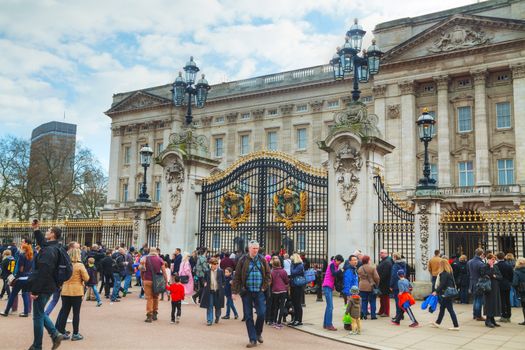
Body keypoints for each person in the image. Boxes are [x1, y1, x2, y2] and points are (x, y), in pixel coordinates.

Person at [27, 223, 64, 350]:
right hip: (49, 285)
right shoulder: (53, 246)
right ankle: (55, 334)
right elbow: (42, 242)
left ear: (53, 234)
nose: (47, 232)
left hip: (43, 287)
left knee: (37, 316)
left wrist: (35, 290)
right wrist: (36, 229)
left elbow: (44, 271)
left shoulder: (49, 250)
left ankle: (37, 346)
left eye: (48, 230)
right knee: (41, 313)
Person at [232, 240, 271, 348]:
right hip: (247, 292)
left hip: (259, 291)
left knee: (262, 313)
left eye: (257, 248)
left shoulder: (262, 259)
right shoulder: (243, 260)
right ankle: (252, 339)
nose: (255, 250)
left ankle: (258, 333)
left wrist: (264, 287)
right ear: (249, 248)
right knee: (248, 316)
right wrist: (234, 291)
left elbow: (268, 275)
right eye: (253, 248)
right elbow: (237, 276)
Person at [55, 248, 89, 341]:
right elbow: (86, 278)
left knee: (64, 312)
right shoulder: (79, 265)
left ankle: (61, 332)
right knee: (76, 313)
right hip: (76, 291)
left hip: (65, 290)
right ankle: (75, 334)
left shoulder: (65, 265)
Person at [2, 242, 34, 317]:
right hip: (27, 277)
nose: (20, 248)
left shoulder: (22, 256)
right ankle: (26, 312)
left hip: (20, 278)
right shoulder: (30, 256)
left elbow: (21, 269)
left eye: (21, 247)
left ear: (24, 249)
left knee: (13, 295)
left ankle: (6, 311)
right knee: (25, 294)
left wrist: (15, 277)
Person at [430, 259, 460, 330]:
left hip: (445, 294)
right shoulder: (449, 273)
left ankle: (456, 326)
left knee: (450, 310)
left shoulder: (443, 274)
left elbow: (442, 284)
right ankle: (438, 322)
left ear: (442, 265)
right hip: (448, 293)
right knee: (442, 309)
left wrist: (436, 291)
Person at [140, 247, 167, 323]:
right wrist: (166, 280)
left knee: (149, 298)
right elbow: (164, 271)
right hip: (157, 281)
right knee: (156, 297)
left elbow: (142, 269)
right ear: (156, 252)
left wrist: (143, 278)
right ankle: (155, 313)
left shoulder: (144, 259)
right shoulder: (160, 259)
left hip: (147, 280)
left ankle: (149, 315)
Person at [322, 254, 344, 331]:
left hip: (329, 286)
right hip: (327, 286)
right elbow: (334, 273)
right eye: (340, 262)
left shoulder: (335, 265)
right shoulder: (332, 264)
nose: (340, 264)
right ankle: (329, 325)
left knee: (328, 306)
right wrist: (340, 270)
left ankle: (325, 324)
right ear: (337, 260)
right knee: (330, 307)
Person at [200, 257, 225, 325]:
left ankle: (217, 317)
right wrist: (204, 282)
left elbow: (224, 281)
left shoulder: (221, 271)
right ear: (210, 264)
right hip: (210, 291)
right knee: (209, 306)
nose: (215, 265)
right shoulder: (207, 272)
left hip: (218, 291)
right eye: (214, 264)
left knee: (218, 306)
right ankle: (209, 320)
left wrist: (222, 285)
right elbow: (203, 279)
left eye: (216, 264)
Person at [481, 253, 503, 328]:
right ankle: (488, 320)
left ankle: (492, 319)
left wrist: (495, 276)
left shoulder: (496, 266)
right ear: (488, 259)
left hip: (495, 287)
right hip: (488, 287)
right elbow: (486, 275)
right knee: (489, 303)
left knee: (495, 303)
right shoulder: (484, 266)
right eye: (492, 259)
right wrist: (490, 267)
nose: (493, 260)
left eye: (494, 259)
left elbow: (500, 276)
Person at [357, 255, 380, 320]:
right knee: (372, 301)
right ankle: (373, 315)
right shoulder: (372, 268)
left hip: (362, 286)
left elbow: (359, 276)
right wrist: (376, 284)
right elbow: (377, 277)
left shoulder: (360, 268)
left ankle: (364, 314)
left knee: (364, 301)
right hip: (371, 286)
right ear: (368, 260)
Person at [467, 248, 486, 321]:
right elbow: (483, 274)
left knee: (475, 299)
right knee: (479, 299)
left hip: (472, 282)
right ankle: (478, 316)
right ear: (481, 254)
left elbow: (468, 273)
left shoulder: (469, 262)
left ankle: (475, 314)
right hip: (479, 283)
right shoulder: (480, 263)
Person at [270, 258, 289, 328]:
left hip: (275, 291)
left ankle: (274, 321)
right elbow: (286, 281)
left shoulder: (272, 272)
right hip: (283, 290)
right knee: (281, 306)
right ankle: (279, 322)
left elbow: (270, 282)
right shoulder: (283, 271)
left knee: (276, 306)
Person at [389, 252, 407, 322]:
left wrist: (391, 285)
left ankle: (398, 315)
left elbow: (393, 276)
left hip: (396, 285)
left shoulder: (395, 265)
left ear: (395, 257)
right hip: (402, 284)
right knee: (401, 300)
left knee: (397, 301)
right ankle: (401, 315)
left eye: (393, 257)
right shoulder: (404, 264)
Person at [496, 252, 513, 323]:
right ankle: (508, 315)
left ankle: (503, 315)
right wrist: (509, 282)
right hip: (507, 284)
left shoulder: (496, 265)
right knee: (507, 300)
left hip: (499, 284)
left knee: (502, 300)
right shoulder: (508, 265)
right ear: (504, 257)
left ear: (497, 257)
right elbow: (511, 275)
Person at [289, 253, 304, 326]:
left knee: (298, 303)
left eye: (292, 259)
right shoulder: (295, 265)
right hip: (293, 285)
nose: (291, 261)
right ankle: (295, 319)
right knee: (294, 303)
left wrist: (291, 265)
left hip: (298, 286)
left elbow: (293, 272)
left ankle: (299, 320)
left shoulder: (300, 265)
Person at [377, 249, 393, 317]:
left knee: (385, 298)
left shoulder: (387, 262)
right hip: (382, 283)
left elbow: (385, 274)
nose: (381, 254)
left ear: (386, 253)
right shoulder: (384, 261)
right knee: (382, 298)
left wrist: (379, 280)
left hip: (385, 283)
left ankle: (386, 312)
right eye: (380, 253)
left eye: (382, 253)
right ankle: (381, 310)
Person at [512, 257, 525, 325]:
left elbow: (515, 283)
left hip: (522, 290)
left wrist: (517, 288)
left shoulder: (517, 271)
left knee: (524, 305)